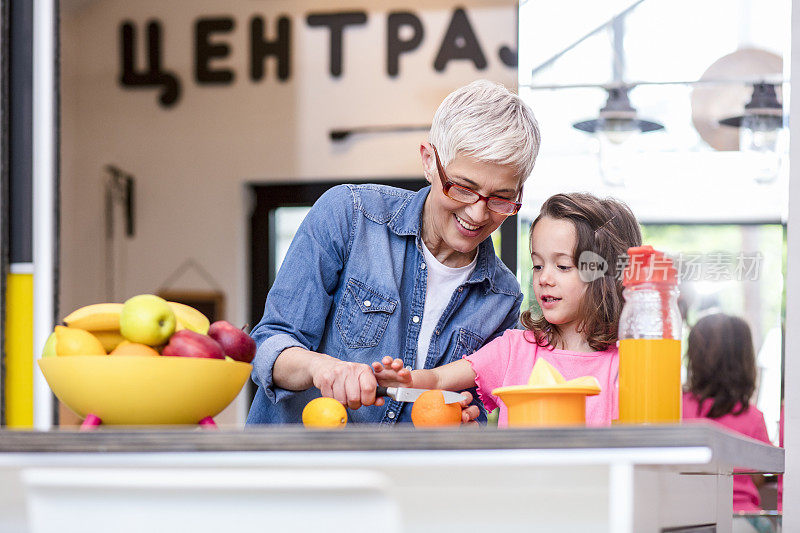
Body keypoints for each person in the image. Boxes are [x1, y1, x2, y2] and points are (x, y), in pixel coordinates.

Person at [246, 79, 541, 425]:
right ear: (429, 161)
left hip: (401, 479)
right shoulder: (349, 216)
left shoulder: (502, 298)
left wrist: (464, 422)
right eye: (463, 188)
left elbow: (472, 406)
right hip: (296, 470)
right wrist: (321, 367)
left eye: (501, 198)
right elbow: (267, 346)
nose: (477, 214)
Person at [374, 193, 642, 426]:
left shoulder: (628, 364)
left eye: (562, 266)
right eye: (538, 265)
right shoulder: (515, 350)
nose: (544, 278)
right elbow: (436, 379)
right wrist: (406, 382)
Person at [681, 313, 773, 521]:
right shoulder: (753, 418)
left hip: (691, 515)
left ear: (694, 358)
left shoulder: (676, 408)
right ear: (745, 362)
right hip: (743, 517)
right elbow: (758, 475)